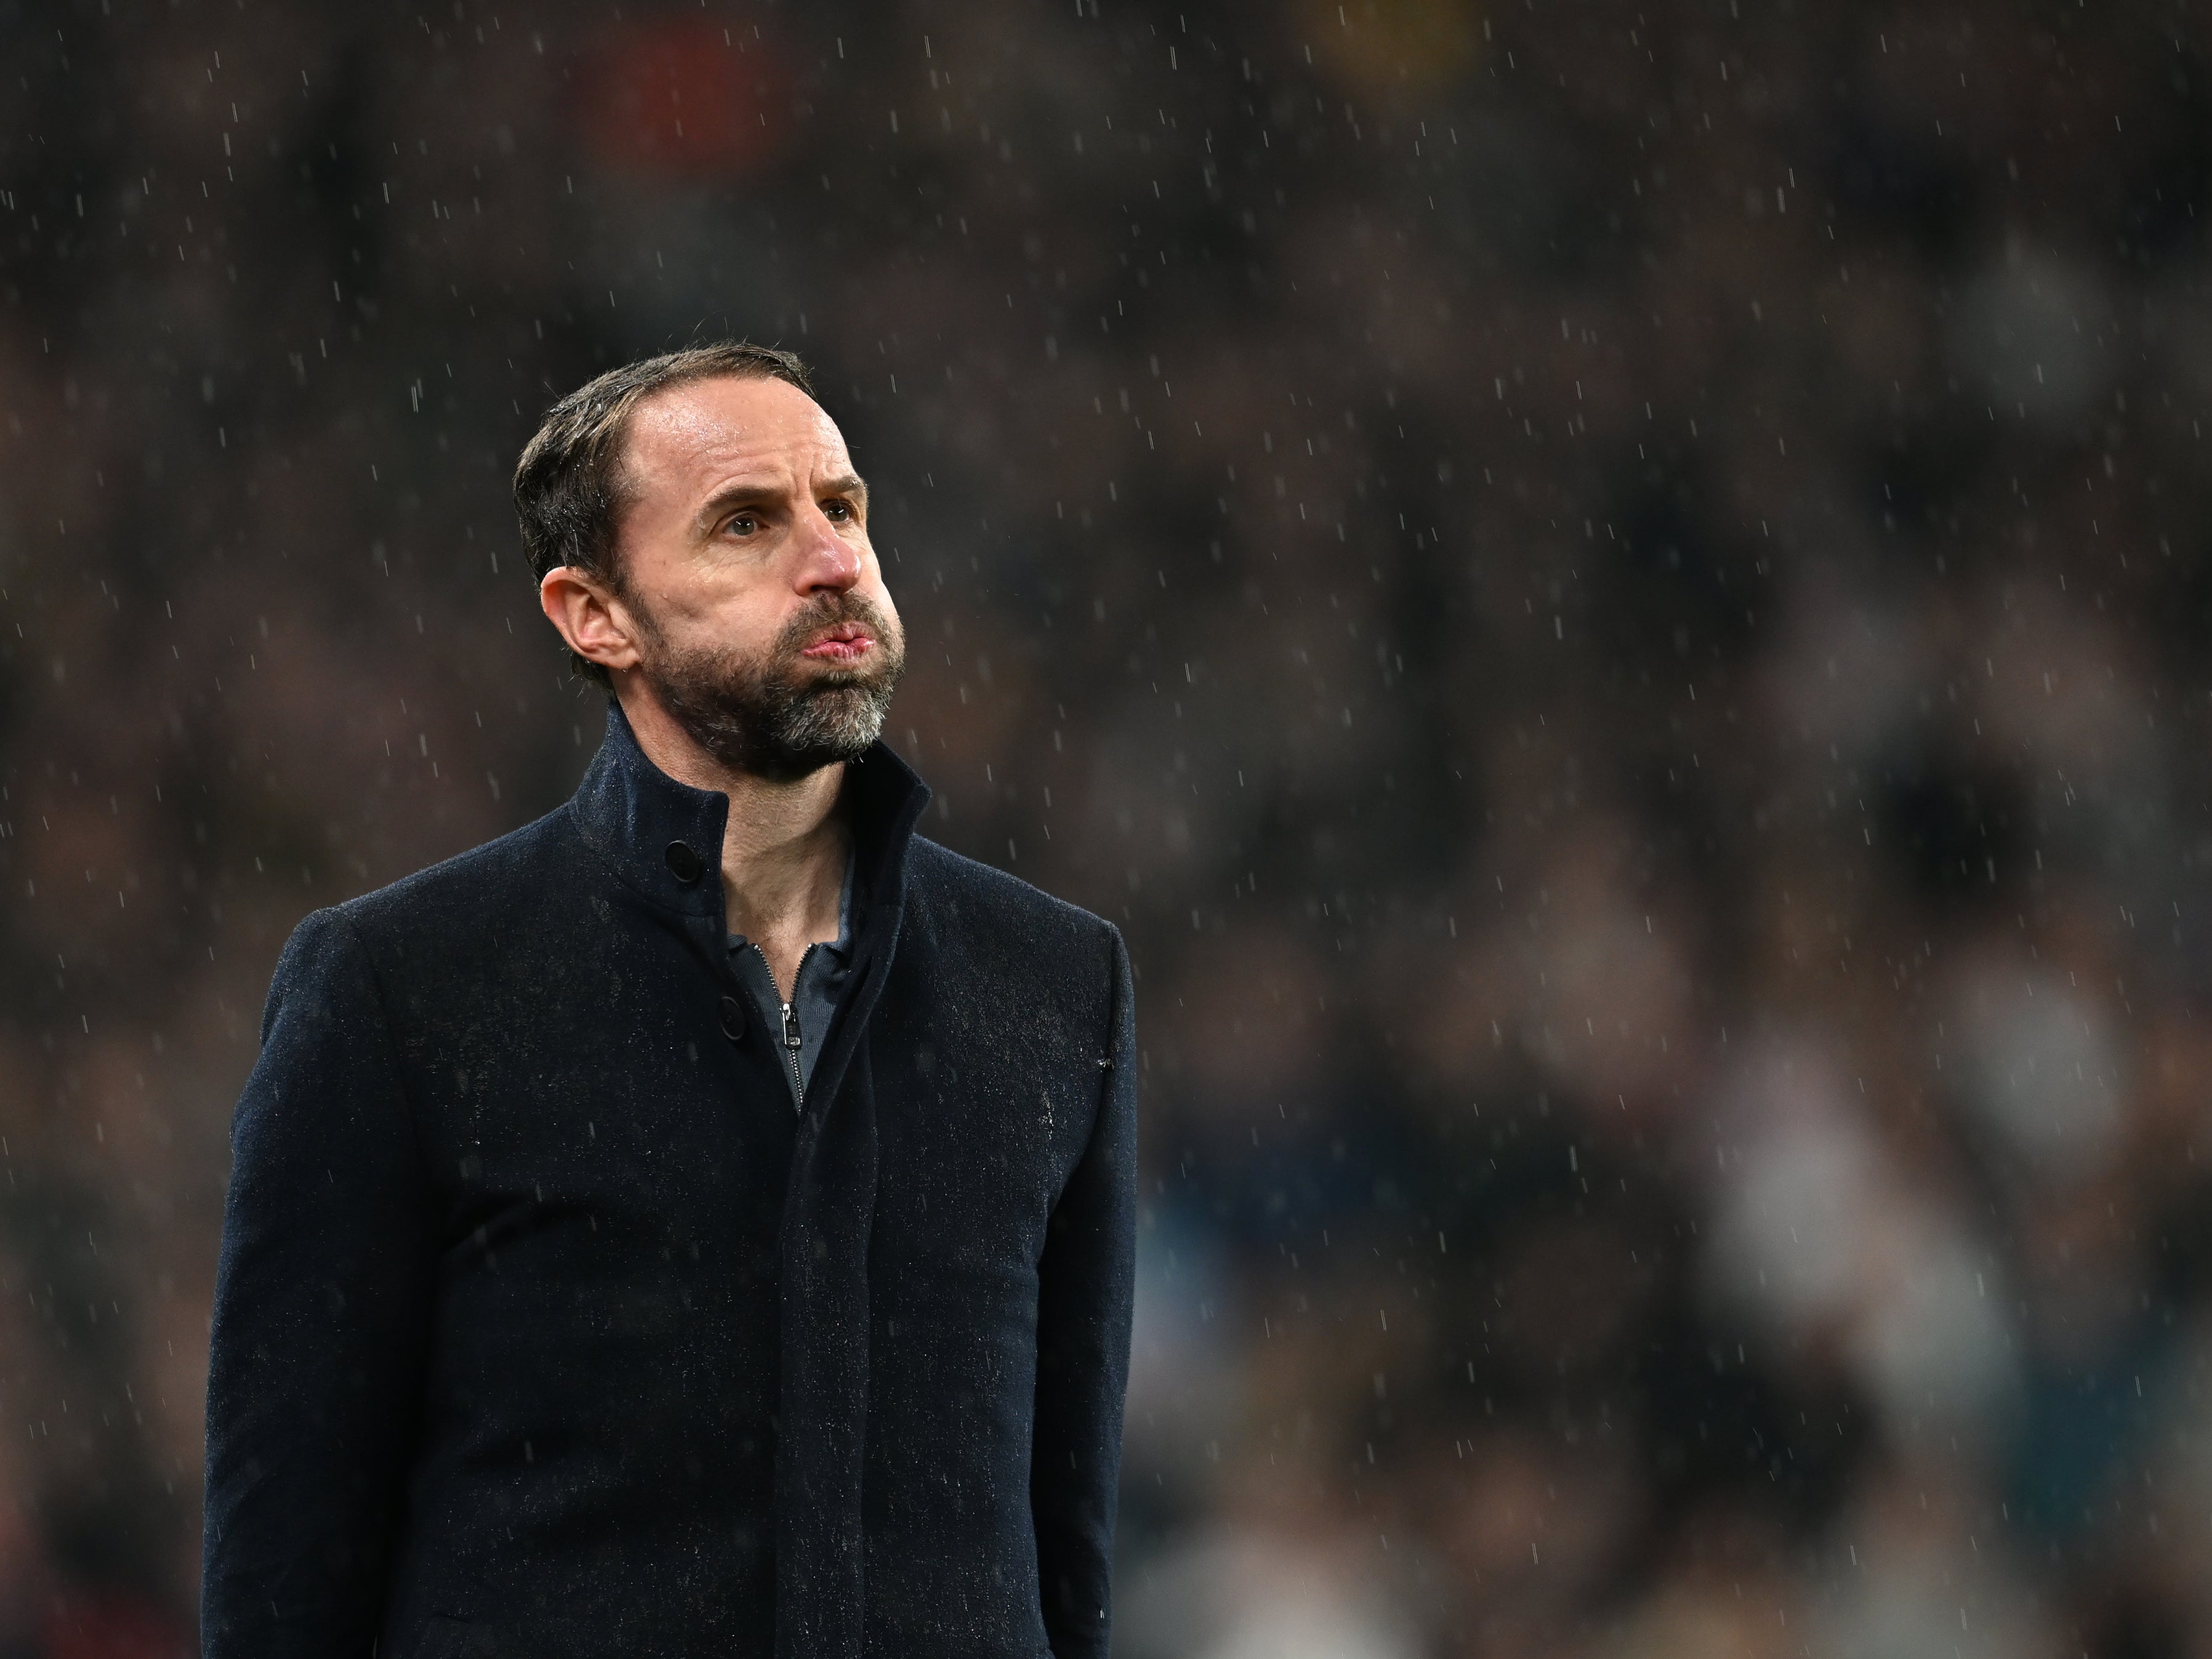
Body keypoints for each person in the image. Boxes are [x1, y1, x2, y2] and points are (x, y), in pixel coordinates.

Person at [199, 343, 1138, 1659]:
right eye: (746, 524)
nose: (830, 559)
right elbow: (285, 1562)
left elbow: (1066, 1545)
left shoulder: (1055, 981)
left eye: (844, 507)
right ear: (597, 615)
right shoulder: (400, 987)